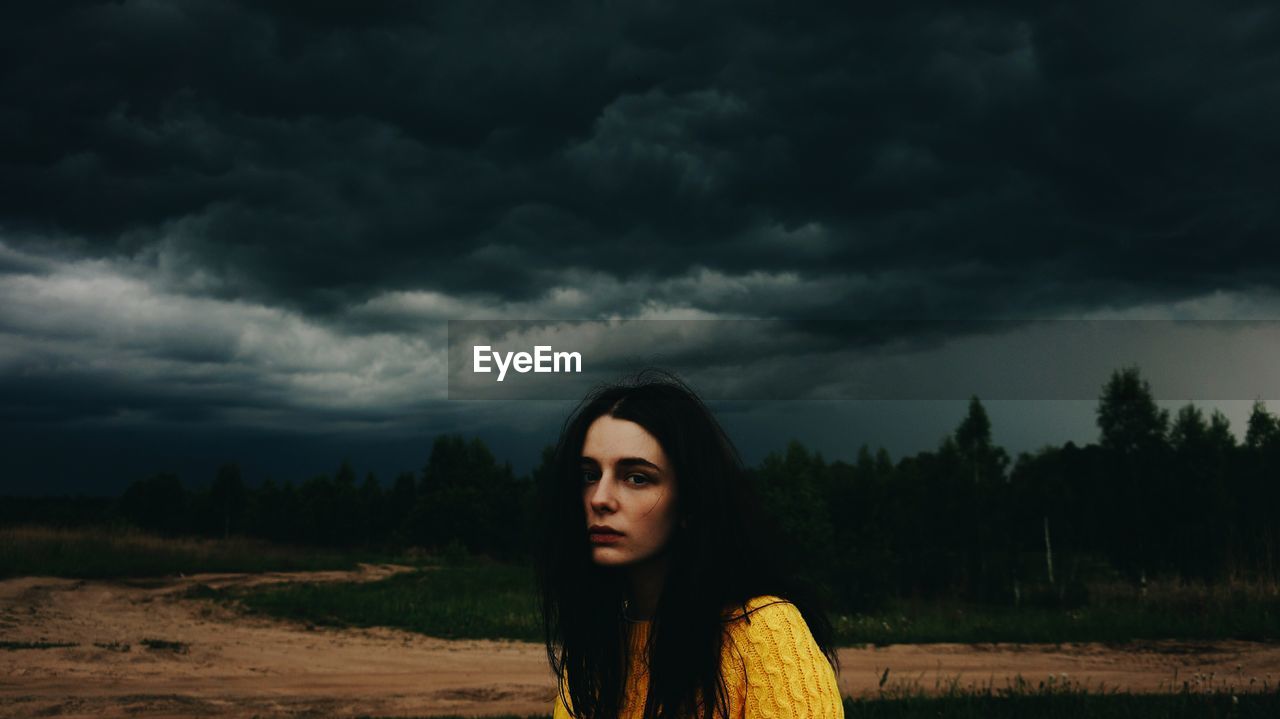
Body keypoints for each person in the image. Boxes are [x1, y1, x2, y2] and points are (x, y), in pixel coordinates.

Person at [535, 371, 844, 719]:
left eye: (636, 477)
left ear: (690, 502)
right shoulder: (596, 645)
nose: (600, 498)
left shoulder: (763, 632)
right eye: (589, 475)